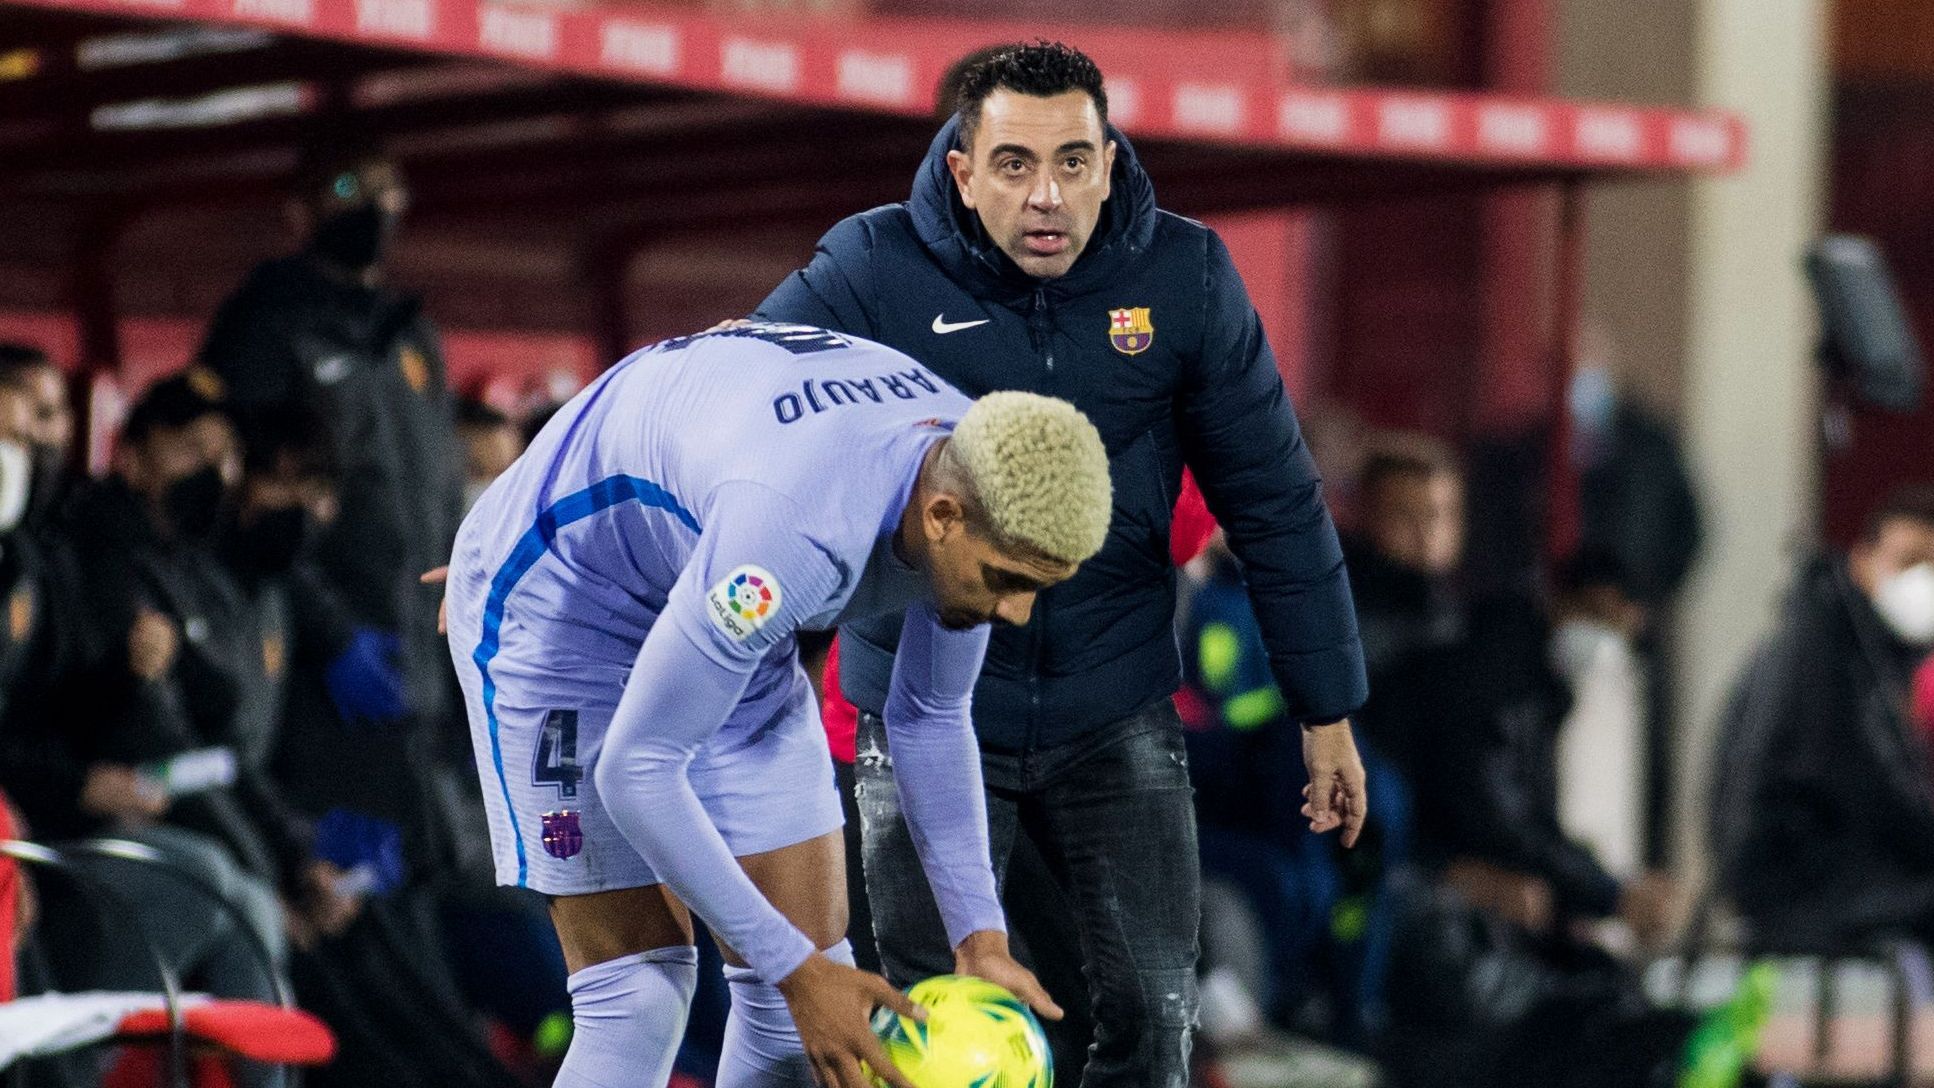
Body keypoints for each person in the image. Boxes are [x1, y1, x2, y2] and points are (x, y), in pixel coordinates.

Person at [756, 42, 1369, 1082]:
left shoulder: (1184, 278)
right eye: (1012, 164)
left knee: (1144, 1021)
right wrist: (538, 529)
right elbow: (727, 395)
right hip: (917, 705)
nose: (1048, 196)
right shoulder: (869, 269)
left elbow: (1273, 498)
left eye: (1074, 161)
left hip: (1114, 705)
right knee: (933, 1025)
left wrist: (1326, 705)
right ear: (960, 166)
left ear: (1108, 157)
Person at [442, 320, 1110, 1088]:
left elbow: (929, 713)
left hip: (705, 579)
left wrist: (980, 938)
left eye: (1037, 587)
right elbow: (638, 770)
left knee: (805, 1014)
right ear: (941, 517)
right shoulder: (797, 532)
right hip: (561, 612)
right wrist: (796, 970)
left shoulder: (975, 465)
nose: (1016, 614)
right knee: (640, 997)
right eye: (1004, 580)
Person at [196, 145, 466, 860]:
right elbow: (248, 502)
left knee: (421, 878)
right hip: (318, 675)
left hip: (420, 659)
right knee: (349, 900)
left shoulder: (412, 335)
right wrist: (329, 631)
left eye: (389, 190)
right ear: (301, 212)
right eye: (350, 187)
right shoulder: (265, 327)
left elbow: (439, 492)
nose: (373, 208)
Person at [1711, 485, 1934, 946]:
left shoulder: (1871, 648)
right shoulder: (1822, 646)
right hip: (1799, 892)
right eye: (1911, 561)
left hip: (1830, 879)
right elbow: (1870, 785)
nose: (1924, 581)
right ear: (1863, 560)